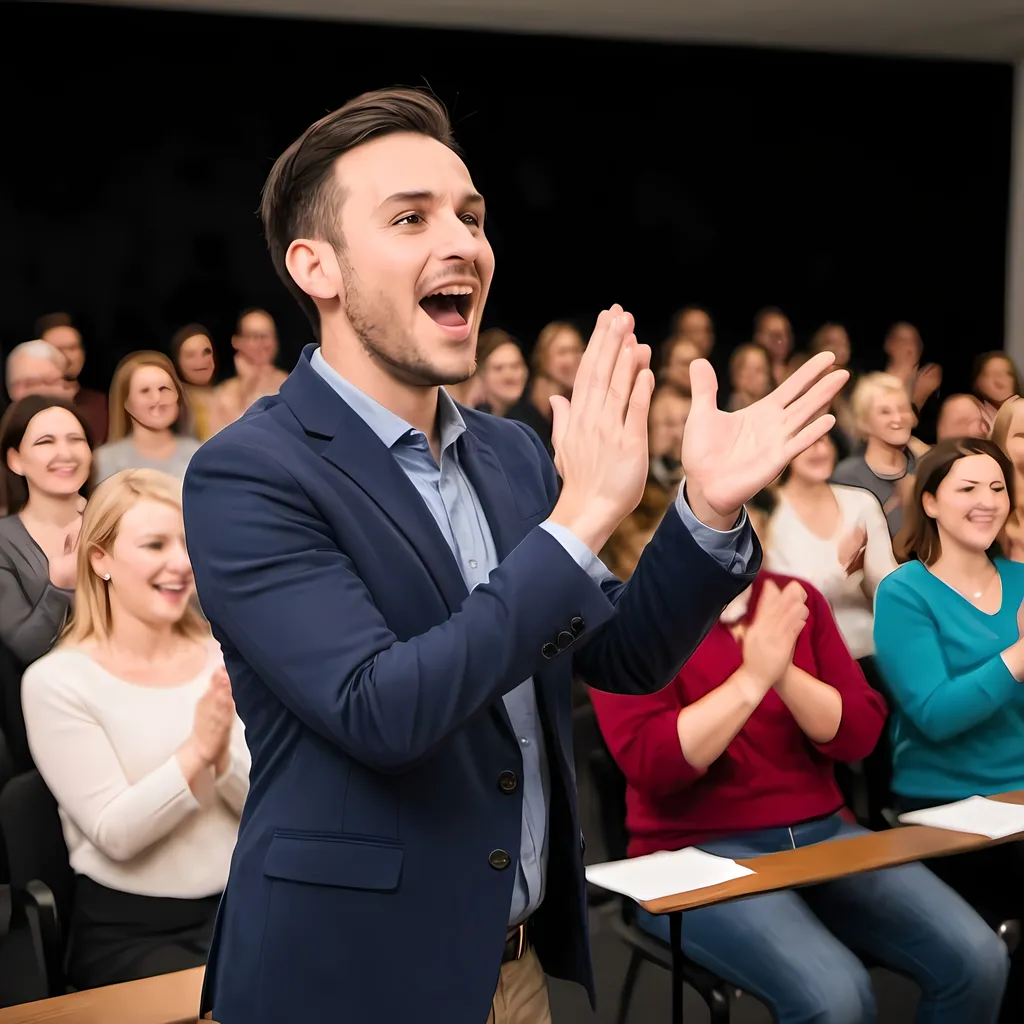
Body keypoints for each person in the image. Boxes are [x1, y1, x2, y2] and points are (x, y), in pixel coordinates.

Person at [182, 86, 846, 1024]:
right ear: (316, 267)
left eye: (470, 216)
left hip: (513, 969)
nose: (462, 242)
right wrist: (577, 526)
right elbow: (383, 710)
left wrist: (704, 509)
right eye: (411, 218)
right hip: (349, 978)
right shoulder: (247, 472)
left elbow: (620, 657)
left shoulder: (509, 452)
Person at [591, 505, 1009, 1024]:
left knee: (978, 959)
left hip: (820, 834)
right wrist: (751, 679)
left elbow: (859, 733)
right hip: (695, 852)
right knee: (836, 997)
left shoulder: (792, 598)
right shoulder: (629, 616)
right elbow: (653, 763)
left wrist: (784, 673)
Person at [22, 468, 249, 990]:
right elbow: (116, 837)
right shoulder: (56, 681)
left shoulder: (222, 655)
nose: (181, 563)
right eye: (155, 545)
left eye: (186, 543)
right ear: (100, 559)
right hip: (134, 936)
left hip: (246, 908)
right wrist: (198, 752)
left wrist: (220, 759)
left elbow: (265, 799)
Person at [874, 438, 1024, 1021]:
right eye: (968, 488)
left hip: (1019, 797)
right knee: (991, 948)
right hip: (947, 808)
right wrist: (1016, 657)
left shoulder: (1021, 577)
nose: (987, 502)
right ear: (931, 502)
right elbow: (934, 715)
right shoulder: (906, 591)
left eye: (997, 488)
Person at [0, 395, 93, 665]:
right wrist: (61, 586)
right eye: (45, 442)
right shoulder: (5, 542)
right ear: (15, 460)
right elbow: (24, 648)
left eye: (76, 439)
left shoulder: (120, 522)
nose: (65, 453)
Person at [93, 352, 201, 484]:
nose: (157, 398)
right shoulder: (106, 460)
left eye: (163, 389)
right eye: (145, 391)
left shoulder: (199, 453)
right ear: (125, 402)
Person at [35, 313, 109, 444]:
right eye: (58, 349)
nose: (67, 356)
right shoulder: (29, 405)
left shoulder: (102, 405)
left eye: (72, 348)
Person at [169, 324, 229, 442]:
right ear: (177, 362)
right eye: (190, 355)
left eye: (206, 352)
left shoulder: (228, 390)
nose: (201, 360)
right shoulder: (177, 401)